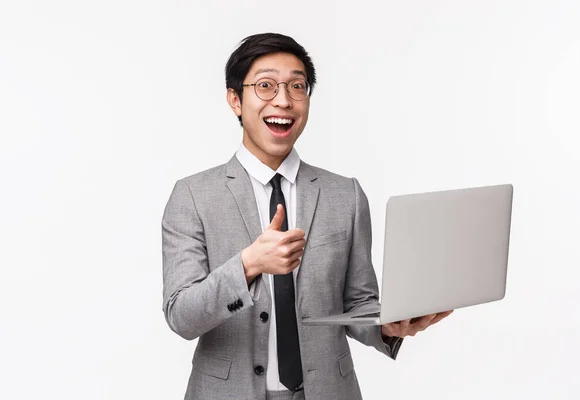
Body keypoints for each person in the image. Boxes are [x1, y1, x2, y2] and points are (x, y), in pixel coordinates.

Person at [162, 32, 452, 400]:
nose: (283, 100)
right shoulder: (191, 196)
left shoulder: (345, 194)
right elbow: (181, 316)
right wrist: (248, 265)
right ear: (235, 99)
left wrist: (388, 325)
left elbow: (357, 303)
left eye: (297, 86)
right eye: (265, 85)